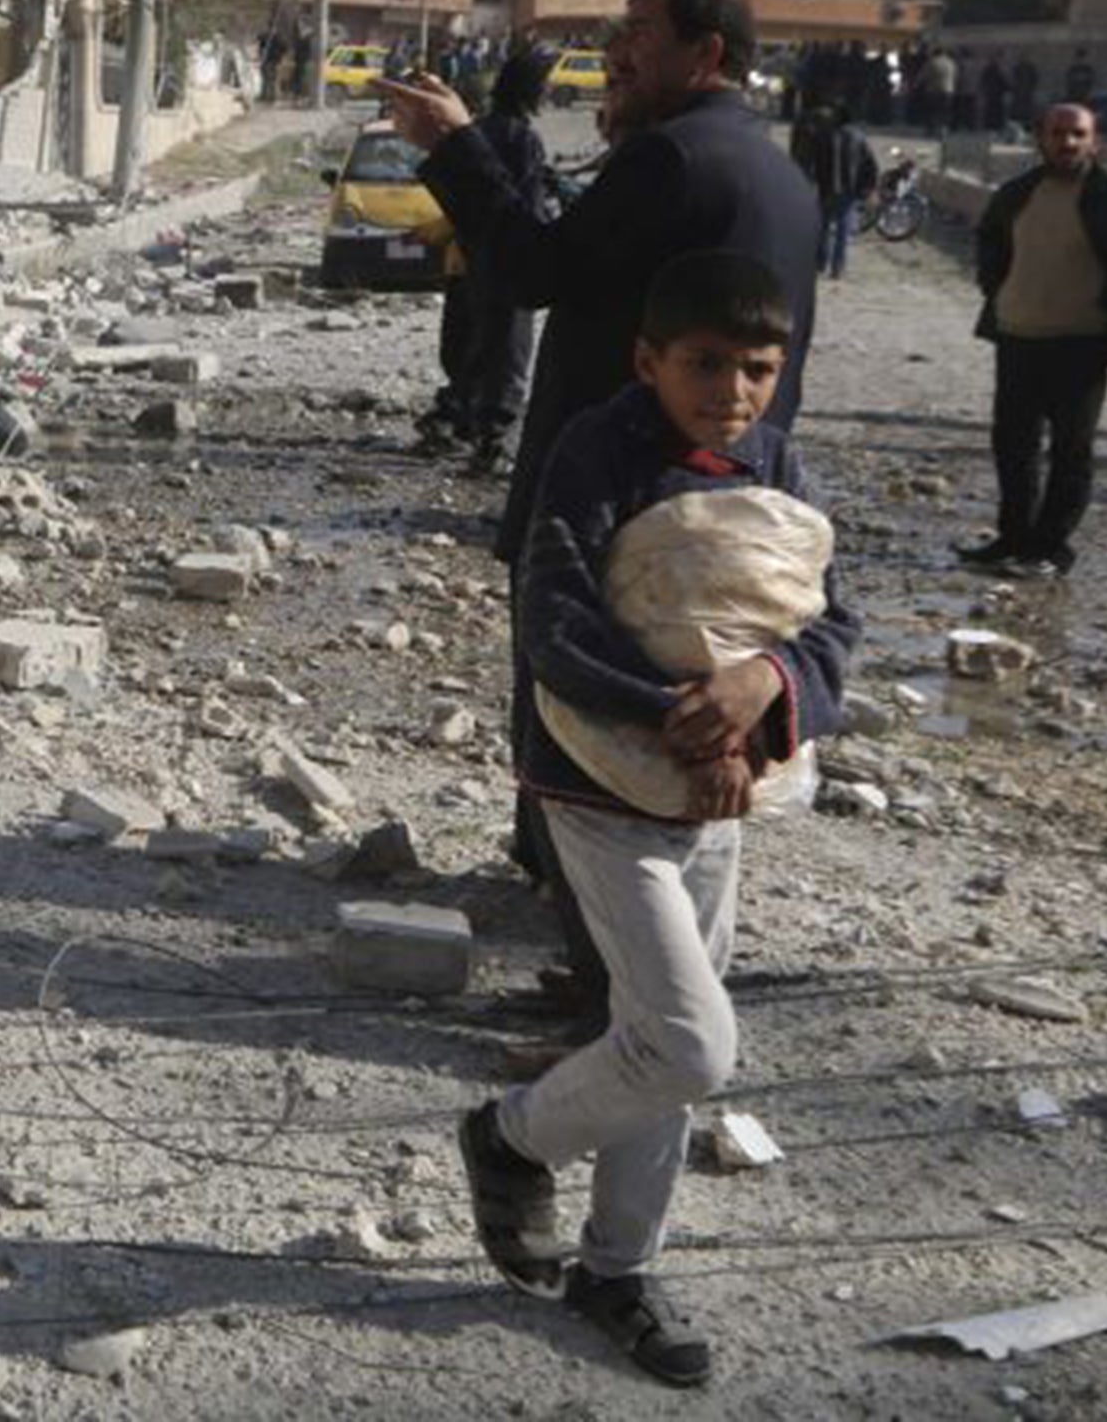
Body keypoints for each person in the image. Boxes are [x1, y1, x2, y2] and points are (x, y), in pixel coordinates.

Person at [377, 0, 820, 1027]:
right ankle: (629, 969)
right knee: (675, 719)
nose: (615, 54)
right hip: (730, 503)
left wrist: (451, 144)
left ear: (702, 56)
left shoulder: (668, 159)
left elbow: (534, 268)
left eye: (637, 36)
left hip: (623, 493)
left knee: (583, 712)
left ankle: (611, 1000)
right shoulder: (772, 166)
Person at [455, 250, 858, 1388]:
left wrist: (766, 695)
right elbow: (555, 621)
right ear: (647, 361)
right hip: (601, 790)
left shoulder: (776, 464)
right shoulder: (598, 452)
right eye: (705, 365)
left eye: (757, 371)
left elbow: (827, 619)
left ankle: (617, 1270)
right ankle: (509, 1136)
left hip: (721, 795)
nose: (731, 393)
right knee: (691, 1043)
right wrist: (687, 717)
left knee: (655, 1043)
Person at [958, 104, 1107, 577]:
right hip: (1018, 337)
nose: (1068, 143)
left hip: (1081, 344)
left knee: (1071, 451)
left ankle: (1050, 548)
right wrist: (997, 290)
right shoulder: (1017, 193)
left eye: (1078, 134)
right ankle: (1014, 537)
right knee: (1012, 445)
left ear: (1094, 141)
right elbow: (990, 241)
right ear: (1040, 138)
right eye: (1058, 133)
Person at [415, 52, 551, 472]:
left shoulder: (478, 131)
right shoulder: (521, 139)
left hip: (465, 260)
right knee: (506, 352)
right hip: (507, 264)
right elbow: (526, 208)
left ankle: (453, 418)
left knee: (470, 349)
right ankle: (492, 441)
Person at [794, 103, 877, 281]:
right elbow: (869, 165)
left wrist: (807, 183)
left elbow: (809, 162)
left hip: (826, 188)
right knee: (843, 231)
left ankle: (820, 263)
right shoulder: (858, 137)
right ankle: (837, 268)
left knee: (823, 228)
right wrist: (868, 188)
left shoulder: (822, 135)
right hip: (849, 191)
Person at [919, 46, 956, 138]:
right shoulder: (951, 63)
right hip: (948, 90)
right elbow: (955, 76)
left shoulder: (931, 62)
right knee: (945, 111)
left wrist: (916, 85)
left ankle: (930, 130)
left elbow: (923, 76)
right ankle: (944, 130)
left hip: (933, 90)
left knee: (931, 111)